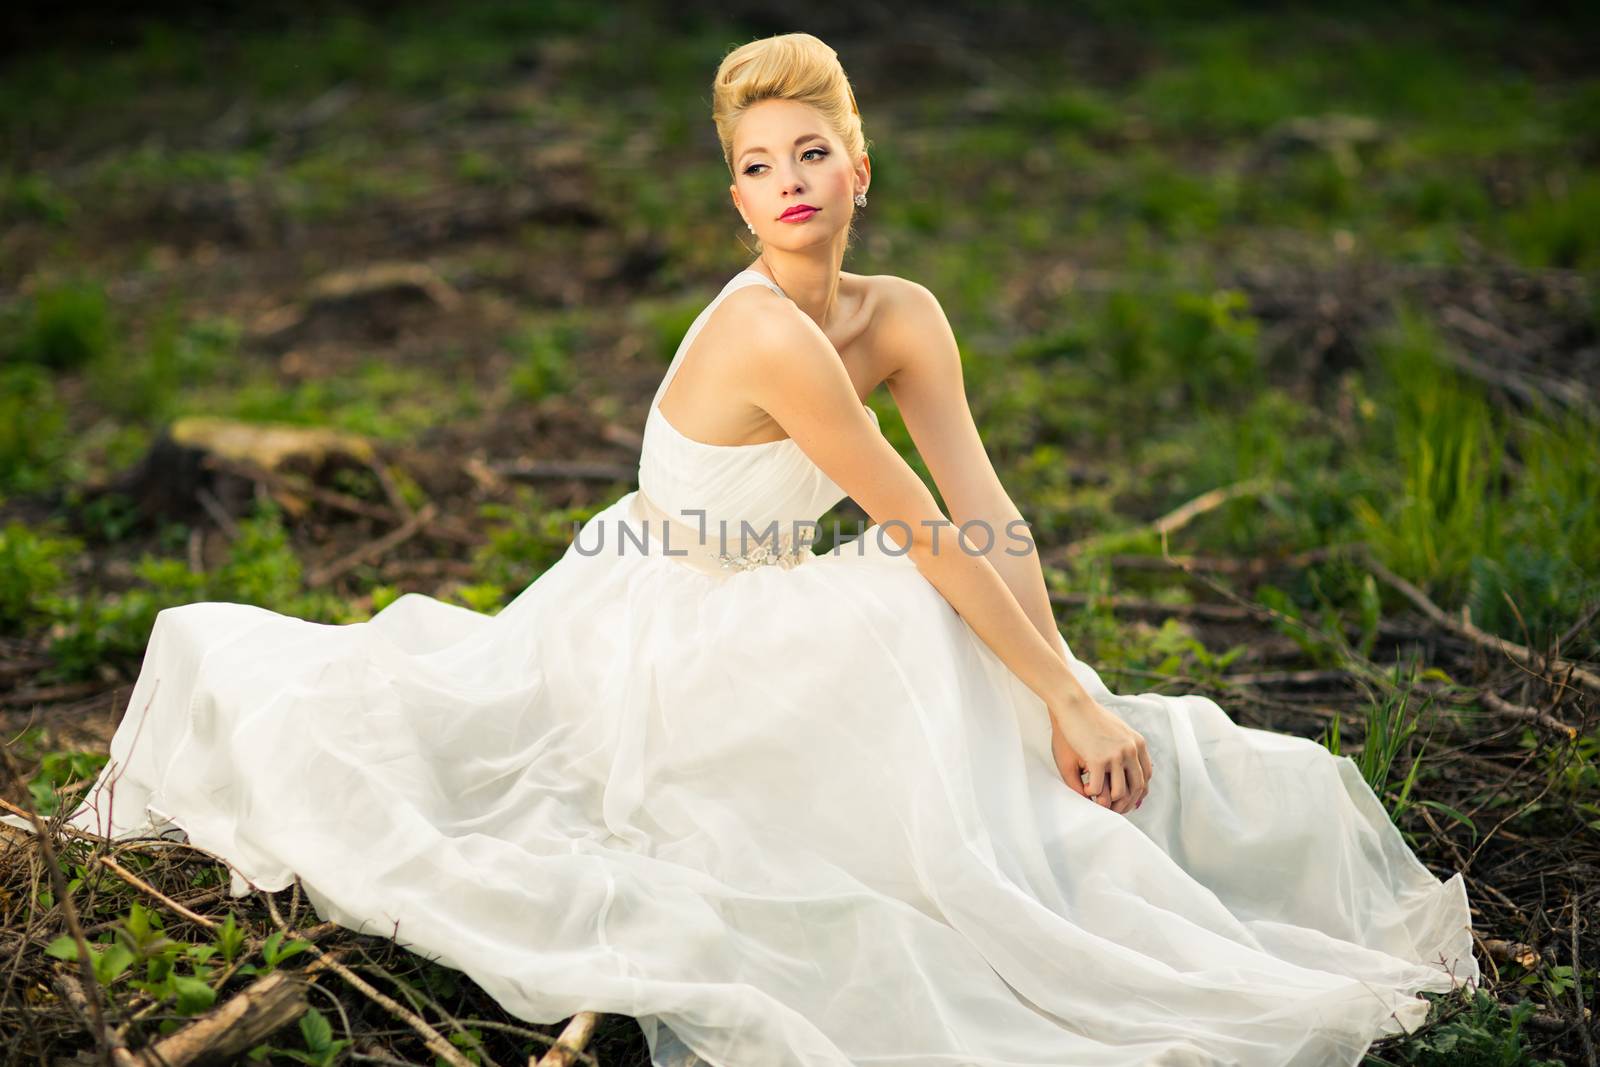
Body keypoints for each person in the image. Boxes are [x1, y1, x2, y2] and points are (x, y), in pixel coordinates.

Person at [6, 31, 1477, 1067]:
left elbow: (984, 505)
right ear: (735, 197)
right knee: (912, 620)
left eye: (812, 152)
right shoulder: (766, 330)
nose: (786, 181)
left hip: (775, 596)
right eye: (757, 163)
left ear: (859, 167)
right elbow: (910, 519)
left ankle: (1056, 816)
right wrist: (1052, 691)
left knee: (984, 660)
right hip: (658, 625)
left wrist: (1065, 683)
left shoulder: (900, 312)